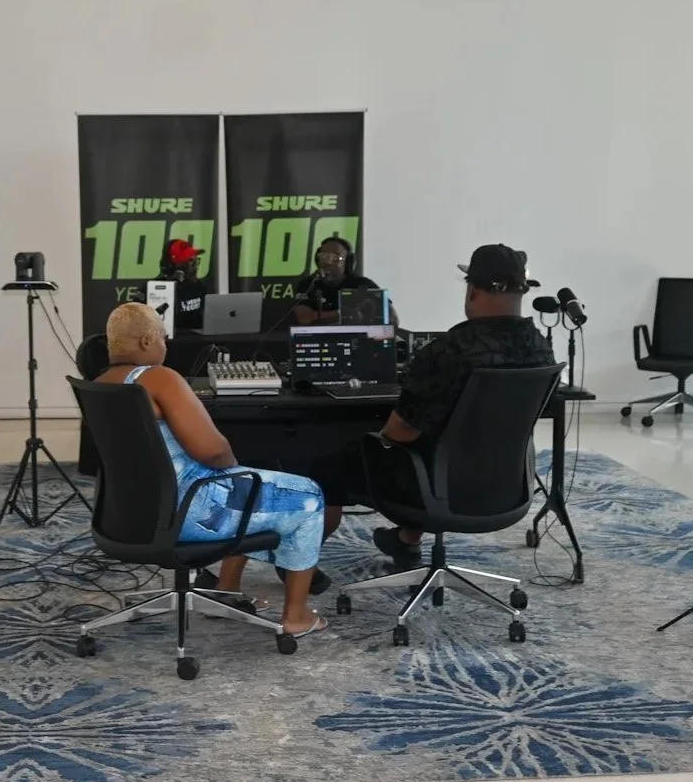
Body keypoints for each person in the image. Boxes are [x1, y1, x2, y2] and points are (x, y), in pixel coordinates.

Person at [313, 243, 554, 565]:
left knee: (326, 465)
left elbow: (400, 433)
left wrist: (376, 442)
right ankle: (406, 541)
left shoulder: (449, 352)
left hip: (436, 491)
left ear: (472, 291)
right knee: (437, 447)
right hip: (507, 490)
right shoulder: (541, 349)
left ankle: (303, 566)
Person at [96, 302, 327, 636]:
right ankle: (296, 616)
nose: (166, 346)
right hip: (190, 512)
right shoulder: (159, 378)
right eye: (163, 338)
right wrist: (233, 470)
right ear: (147, 342)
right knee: (310, 495)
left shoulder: (101, 383)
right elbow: (214, 451)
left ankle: (227, 591)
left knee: (251, 485)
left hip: (130, 513)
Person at [291, 236, 396, 326]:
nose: (327, 263)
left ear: (348, 263)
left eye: (335, 258)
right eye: (323, 256)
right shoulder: (308, 284)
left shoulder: (363, 285)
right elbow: (303, 317)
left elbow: (392, 319)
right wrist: (343, 315)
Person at [157, 237, 208, 332]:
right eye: (190, 261)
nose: (196, 266)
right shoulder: (152, 289)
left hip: (196, 343)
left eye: (196, 260)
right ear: (172, 266)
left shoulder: (198, 287)